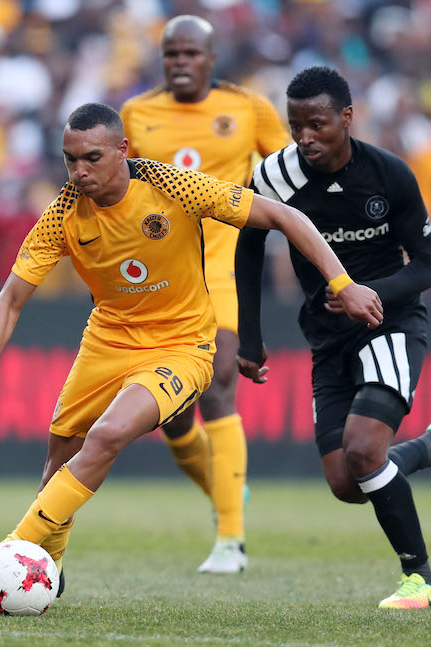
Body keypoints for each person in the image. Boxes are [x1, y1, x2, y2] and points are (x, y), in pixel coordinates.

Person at [0, 102, 383, 598]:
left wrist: (342, 282)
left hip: (182, 346)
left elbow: (284, 215)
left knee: (106, 435)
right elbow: (10, 299)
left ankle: (3, 555)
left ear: (121, 151)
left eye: (91, 158)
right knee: (59, 457)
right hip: (107, 340)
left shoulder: (172, 185)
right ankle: (48, 564)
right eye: (69, 160)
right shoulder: (63, 212)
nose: (79, 171)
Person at [235, 66, 431, 610]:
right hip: (326, 337)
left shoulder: (390, 175)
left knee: (367, 450)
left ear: (347, 117)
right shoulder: (274, 176)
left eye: (317, 124)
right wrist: (249, 337)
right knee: (347, 480)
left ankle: (421, 579)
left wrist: (367, 292)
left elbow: (428, 265)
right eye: (295, 125)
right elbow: (248, 243)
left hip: (388, 325)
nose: (305, 138)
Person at [119, 15, 291, 574]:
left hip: (222, 270)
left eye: (191, 53)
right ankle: (224, 490)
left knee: (218, 384)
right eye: (172, 54)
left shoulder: (247, 108)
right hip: (164, 280)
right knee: (170, 418)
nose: (181, 62)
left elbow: (292, 171)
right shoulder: (136, 115)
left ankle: (230, 541)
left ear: (211, 58)